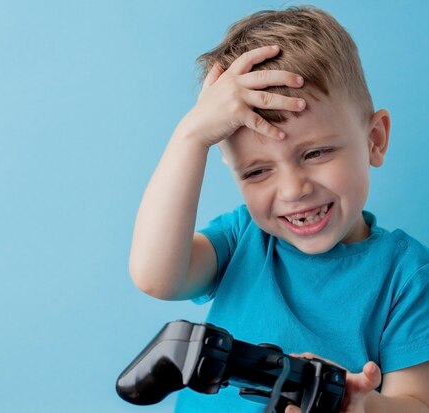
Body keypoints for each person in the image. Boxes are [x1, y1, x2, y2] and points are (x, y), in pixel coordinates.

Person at [128, 6, 429, 413]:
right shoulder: (240, 239)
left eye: (316, 152)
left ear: (374, 140)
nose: (293, 189)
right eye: (256, 172)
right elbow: (155, 277)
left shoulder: (407, 275)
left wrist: (363, 405)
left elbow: (417, 402)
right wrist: (192, 136)